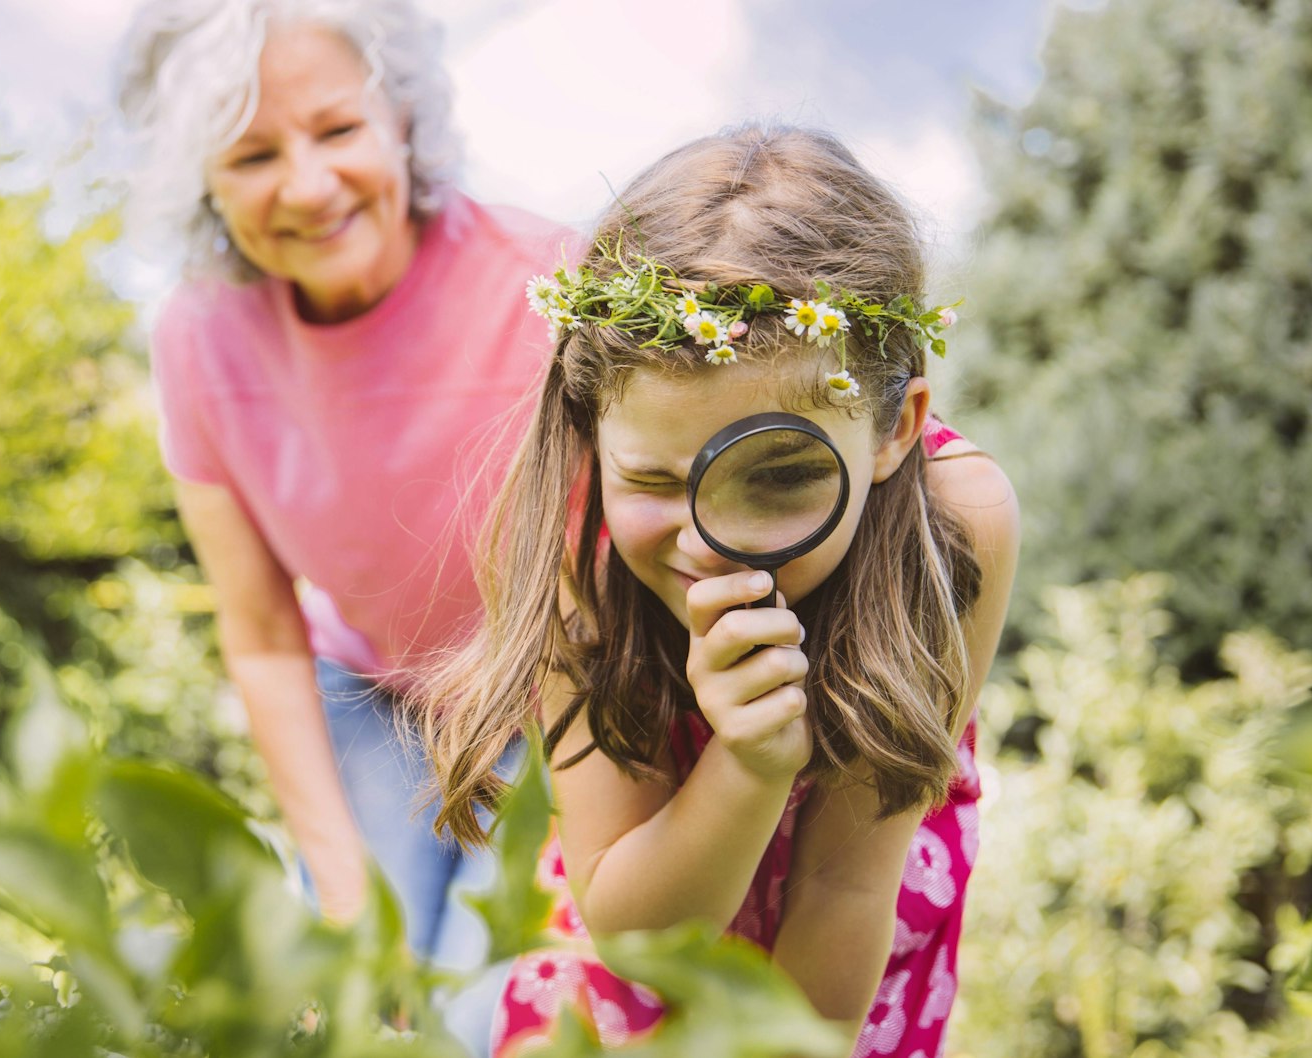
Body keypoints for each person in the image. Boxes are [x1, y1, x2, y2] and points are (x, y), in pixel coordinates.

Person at [422, 123, 1021, 1057]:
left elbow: (845, 884)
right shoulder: (577, 552)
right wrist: (748, 765)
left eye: (780, 477)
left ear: (896, 429)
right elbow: (635, 935)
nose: (710, 544)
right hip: (641, 930)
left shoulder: (955, 524)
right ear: (591, 431)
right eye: (653, 482)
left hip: (835, 978)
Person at [116, 0, 569, 1007]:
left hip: (552, 706)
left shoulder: (548, 281)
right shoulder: (196, 338)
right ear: (201, 179)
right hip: (371, 697)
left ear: (400, 117)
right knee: (369, 990)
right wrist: (341, 890)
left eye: (337, 130)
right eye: (252, 156)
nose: (309, 186)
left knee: (481, 1009)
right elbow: (263, 632)